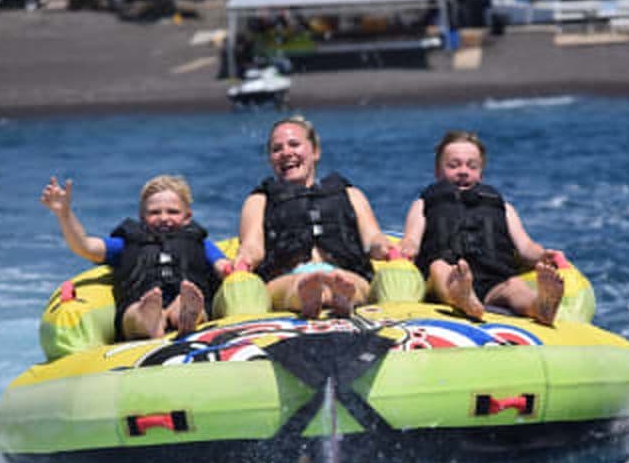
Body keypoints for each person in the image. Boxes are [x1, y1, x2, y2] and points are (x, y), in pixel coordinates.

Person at [399, 130, 565, 325]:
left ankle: (540, 306)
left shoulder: (502, 207)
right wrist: (407, 248)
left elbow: (526, 247)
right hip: (451, 272)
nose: (463, 171)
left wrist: (543, 255)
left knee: (514, 285)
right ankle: (462, 299)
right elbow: (412, 238)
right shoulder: (425, 202)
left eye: (472, 166)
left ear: (481, 173)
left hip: (493, 277)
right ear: (437, 172)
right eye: (453, 165)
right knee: (438, 267)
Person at [234, 115, 392, 318]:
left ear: (315, 151)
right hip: (287, 278)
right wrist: (245, 258)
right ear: (270, 159)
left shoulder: (350, 194)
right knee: (297, 285)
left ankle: (338, 296)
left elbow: (372, 238)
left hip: (342, 273)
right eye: (277, 149)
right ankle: (314, 296)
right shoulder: (259, 200)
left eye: (294, 144)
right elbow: (252, 245)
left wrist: (384, 247)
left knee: (350, 282)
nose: (286, 153)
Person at [41, 174, 232, 340]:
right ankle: (150, 321)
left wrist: (231, 271)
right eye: (154, 212)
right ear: (141, 216)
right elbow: (85, 246)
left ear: (187, 216)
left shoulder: (200, 243)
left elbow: (222, 266)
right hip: (140, 301)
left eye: (172, 212)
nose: (163, 217)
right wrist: (63, 213)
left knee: (187, 301)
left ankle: (186, 314)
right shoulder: (126, 243)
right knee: (135, 313)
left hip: (185, 295)